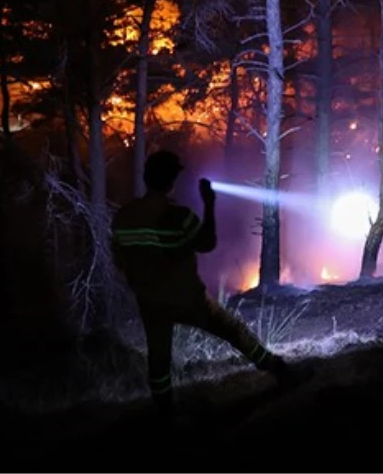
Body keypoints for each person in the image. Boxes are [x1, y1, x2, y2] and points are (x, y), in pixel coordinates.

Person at [110, 150, 308, 417]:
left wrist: (141, 281)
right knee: (235, 332)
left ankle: (165, 416)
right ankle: (282, 372)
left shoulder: (123, 217)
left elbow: (119, 258)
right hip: (188, 299)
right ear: (171, 181)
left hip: (150, 302)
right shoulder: (180, 216)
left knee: (159, 361)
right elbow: (208, 243)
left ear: (147, 178)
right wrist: (210, 203)